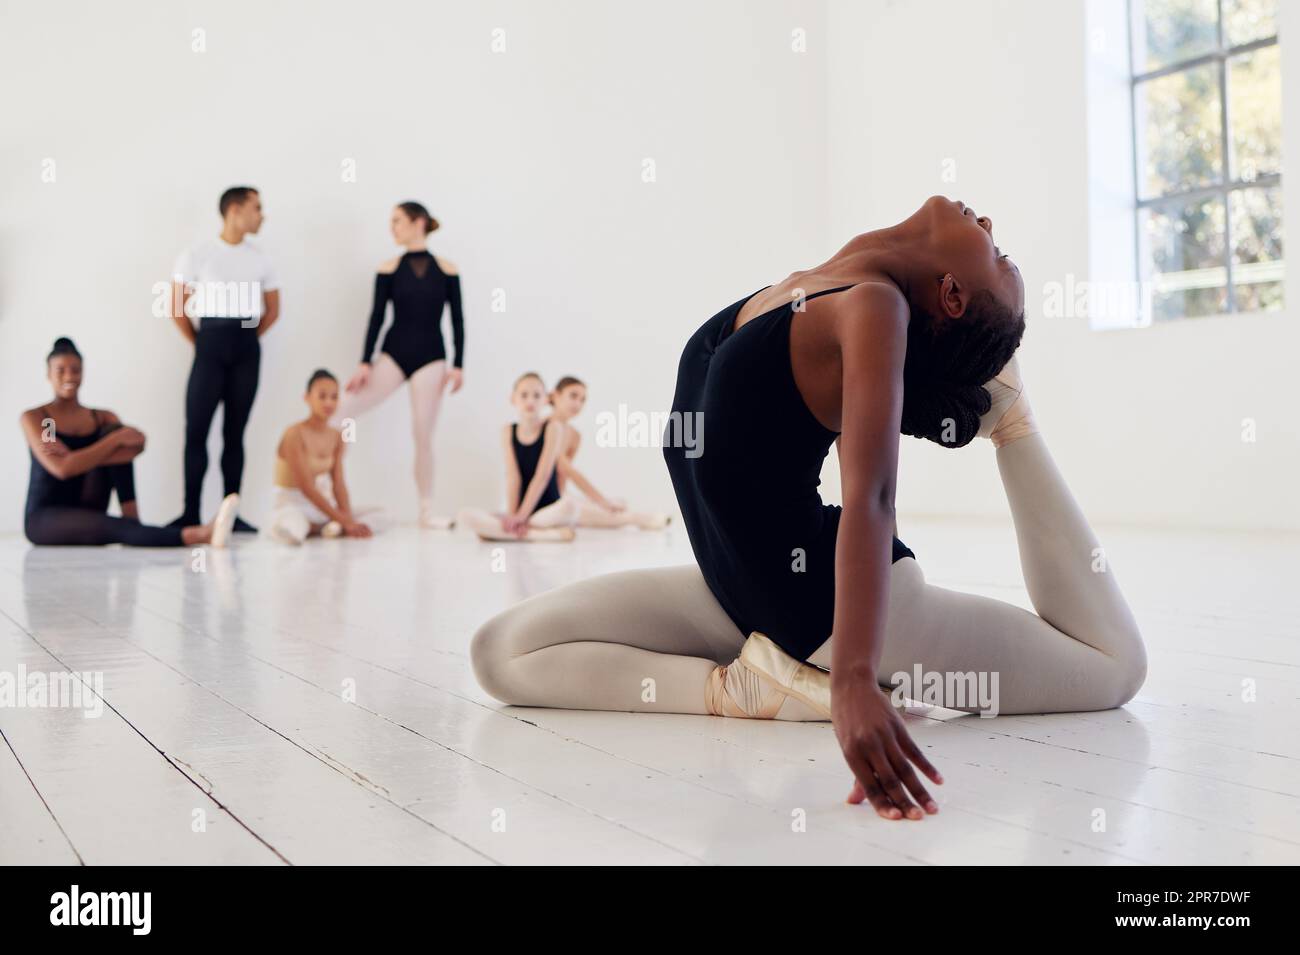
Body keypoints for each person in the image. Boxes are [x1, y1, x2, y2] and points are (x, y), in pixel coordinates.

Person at [469, 196, 1146, 823]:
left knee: (1116, 665)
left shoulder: (874, 308)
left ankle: (1012, 417)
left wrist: (853, 677)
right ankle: (744, 689)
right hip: (742, 593)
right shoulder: (815, 285)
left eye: (999, 259)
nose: (990, 226)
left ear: (952, 293)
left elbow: (873, 497)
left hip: (835, 611)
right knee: (502, 651)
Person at [21, 337, 238, 547]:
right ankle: (198, 535)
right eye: (60, 370)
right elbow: (62, 469)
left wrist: (79, 455)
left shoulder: (102, 417)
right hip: (46, 517)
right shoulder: (38, 418)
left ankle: (131, 515)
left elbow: (136, 444)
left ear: (83, 372)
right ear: (48, 374)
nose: (69, 375)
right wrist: (113, 442)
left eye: (75, 369)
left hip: (90, 503)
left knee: (113, 432)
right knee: (117, 526)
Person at [331, 202, 466, 528]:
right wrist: (365, 362)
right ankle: (329, 497)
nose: (392, 228)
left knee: (422, 433)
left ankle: (426, 511)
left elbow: (458, 320)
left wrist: (459, 364)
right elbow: (376, 317)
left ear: (418, 222)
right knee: (342, 412)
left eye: (397, 221)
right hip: (393, 354)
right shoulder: (388, 268)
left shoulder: (447, 269)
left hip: (431, 358)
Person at [170, 185, 280, 533]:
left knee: (235, 434)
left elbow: (273, 310)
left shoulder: (260, 257)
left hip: (246, 348)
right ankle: (190, 514)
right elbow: (176, 306)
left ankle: (230, 515)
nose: (262, 215)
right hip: (209, 346)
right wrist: (202, 342)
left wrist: (244, 339)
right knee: (196, 432)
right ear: (235, 210)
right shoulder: (197, 254)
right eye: (257, 207)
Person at [263, 369, 380, 545]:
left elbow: (338, 484)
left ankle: (328, 526)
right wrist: (346, 521)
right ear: (307, 398)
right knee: (294, 530)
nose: (328, 402)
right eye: (322, 396)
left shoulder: (337, 436)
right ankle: (316, 527)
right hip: (292, 504)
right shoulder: (294, 434)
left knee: (381, 515)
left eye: (334, 397)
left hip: (321, 505)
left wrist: (347, 517)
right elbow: (306, 487)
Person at [457, 373, 578, 542]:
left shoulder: (552, 428)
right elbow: (513, 477)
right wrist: (513, 516)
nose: (530, 401)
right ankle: (539, 534)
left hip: (547, 509)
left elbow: (542, 476)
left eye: (537, 396)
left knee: (571, 506)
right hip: (522, 509)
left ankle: (509, 531)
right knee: (464, 515)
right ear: (513, 398)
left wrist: (522, 516)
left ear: (545, 400)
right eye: (524, 395)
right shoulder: (508, 431)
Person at [547, 376, 672, 530]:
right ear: (556, 395)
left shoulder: (574, 436)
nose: (578, 404)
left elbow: (563, 478)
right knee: (613, 512)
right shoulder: (546, 427)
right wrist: (601, 501)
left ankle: (635, 515)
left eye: (583, 400)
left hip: (560, 497)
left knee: (617, 505)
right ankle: (643, 519)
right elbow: (566, 469)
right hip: (548, 500)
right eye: (573, 396)